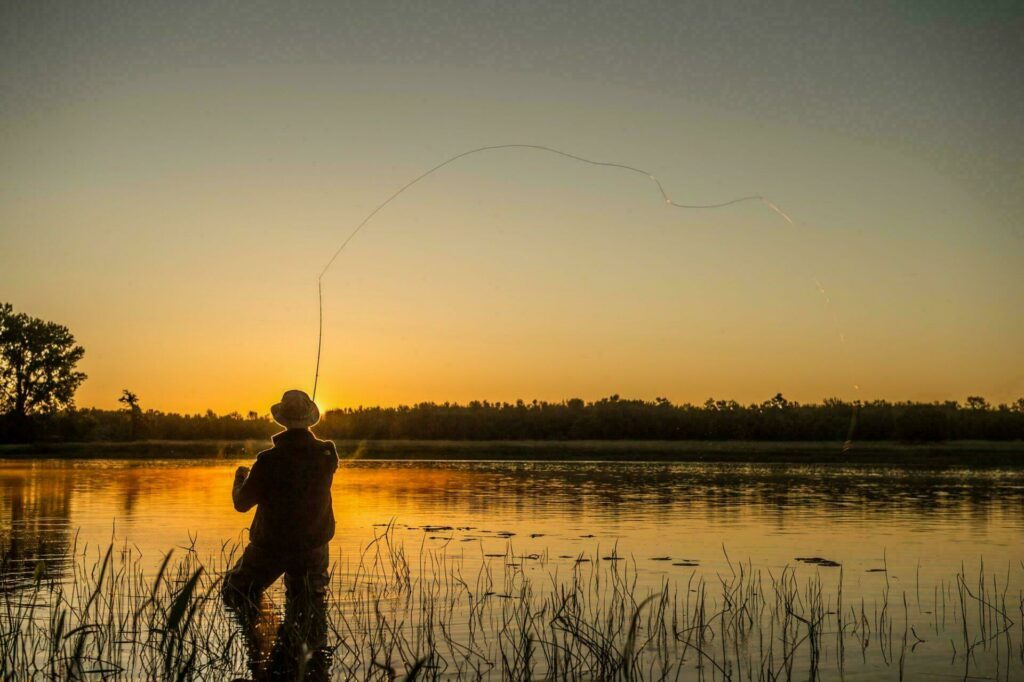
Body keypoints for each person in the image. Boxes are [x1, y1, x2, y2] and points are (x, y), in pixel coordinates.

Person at [222, 389, 338, 681]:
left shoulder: (268, 460)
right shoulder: (327, 453)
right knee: (309, 607)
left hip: (271, 546)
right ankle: (304, 660)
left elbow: (241, 504)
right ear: (311, 419)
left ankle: (265, 645)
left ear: (281, 420)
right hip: (313, 546)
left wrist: (240, 478)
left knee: (235, 592)